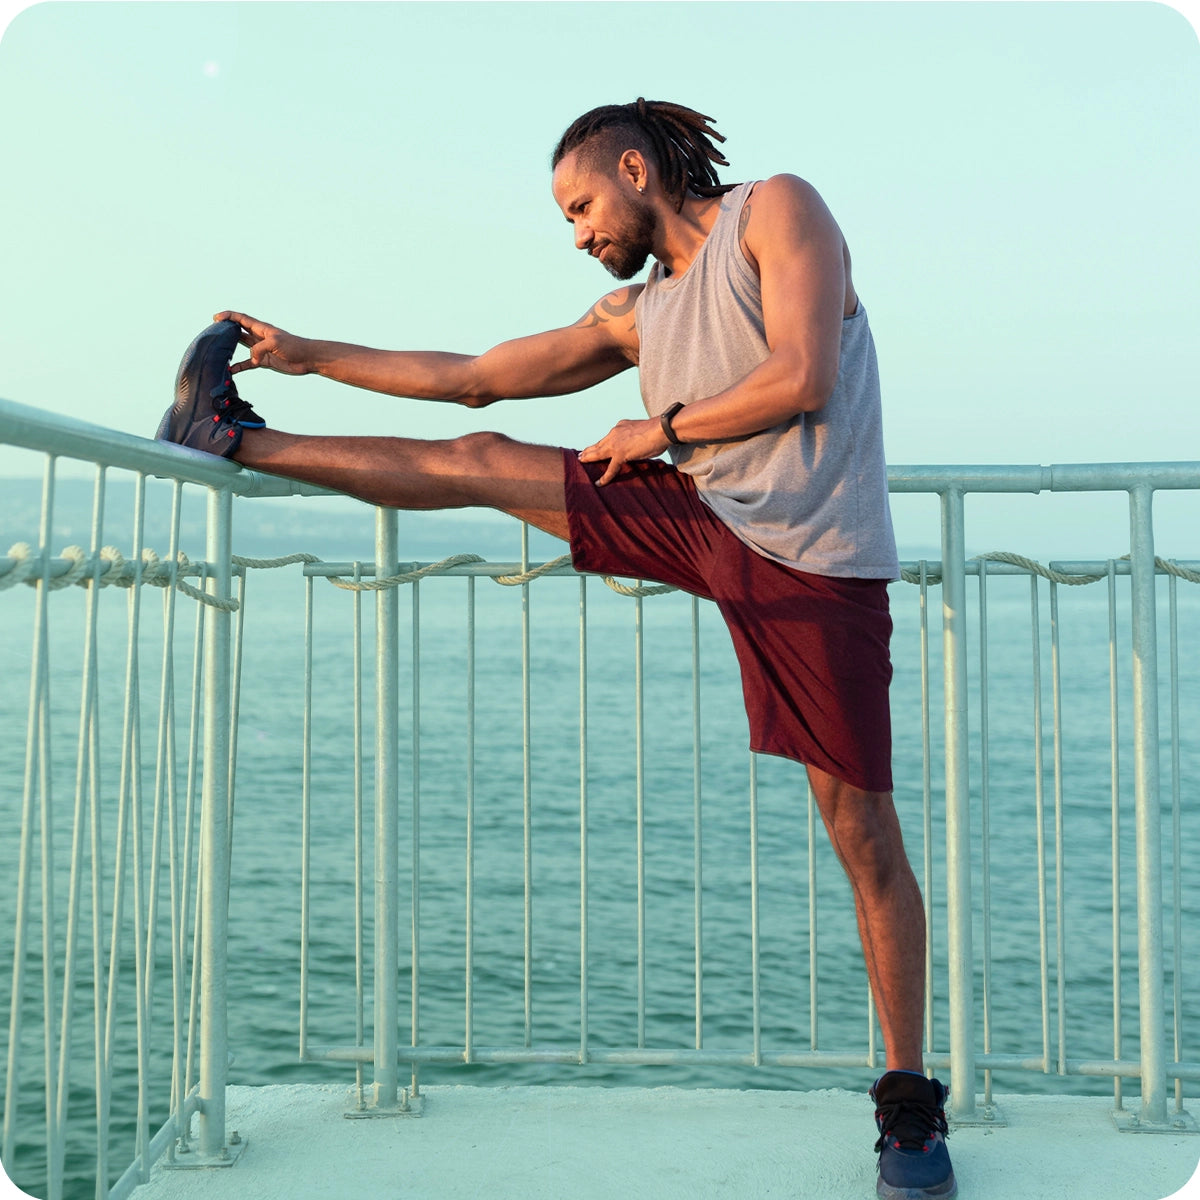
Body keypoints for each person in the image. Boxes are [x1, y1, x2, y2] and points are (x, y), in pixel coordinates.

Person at [157, 98, 956, 1200]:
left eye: (581, 205)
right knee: (482, 451)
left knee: (861, 829)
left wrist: (659, 430)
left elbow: (804, 375)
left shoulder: (779, 214)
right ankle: (228, 435)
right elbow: (474, 376)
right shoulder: (641, 312)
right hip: (700, 515)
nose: (576, 230)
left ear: (634, 169)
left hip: (817, 564)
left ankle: (909, 1107)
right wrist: (307, 354)